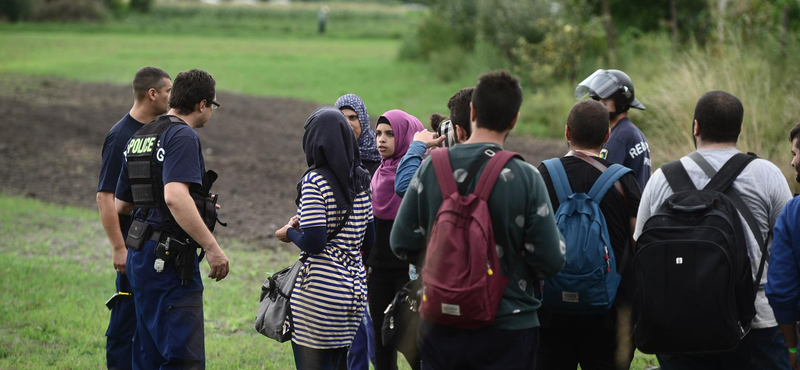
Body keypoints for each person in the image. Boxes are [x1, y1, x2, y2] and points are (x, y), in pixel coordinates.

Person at [390, 71, 566, 370]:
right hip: (510, 323)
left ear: (472, 112)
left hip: (440, 318)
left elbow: (401, 242)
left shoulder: (432, 167)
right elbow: (550, 260)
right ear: (514, 119)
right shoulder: (527, 177)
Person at [635, 90, 793, 369]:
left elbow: (640, 247)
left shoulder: (661, 179)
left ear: (696, 126)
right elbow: (792, 248)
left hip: (678, 323)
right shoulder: (768, 175)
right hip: (757, 325)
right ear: (740, 129)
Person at [115, 69, 230, 370]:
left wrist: (189, 206)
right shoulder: (182, 135)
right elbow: (174, 197)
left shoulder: (141, 135)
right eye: (213, 106)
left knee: (148, 356)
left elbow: (123, 203)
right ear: (202, 104)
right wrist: (212, 247)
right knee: (183, 360)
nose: (211, 112)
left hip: (140, 257)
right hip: (169, 262)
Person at [536, 100, 641, 370]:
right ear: (607, 136)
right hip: (612, 315)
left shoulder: (542, 175)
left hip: (551, 313)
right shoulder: (624, 181)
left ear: (567, 133)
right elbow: (637, 242)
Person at [274, 107, 374, 370]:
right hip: (352, 294)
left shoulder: (315, 182)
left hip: (319, 296)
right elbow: (369, 241)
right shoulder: (362, 180)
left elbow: (315, 243)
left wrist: (290, 232)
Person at [97, 66, 171, 370]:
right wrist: (118, 247)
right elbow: (105, 197)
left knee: (147, 325)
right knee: (124, 326)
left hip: (149, 249)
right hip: (130, 248)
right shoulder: (120, 136)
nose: (171, 96)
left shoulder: (160, 130)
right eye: (168, 91)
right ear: (152, 93)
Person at [368, 109, 425, 370]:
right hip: (378, 271)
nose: (381, 139)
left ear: (406, 137)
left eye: (390, 134)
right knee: (383, 342)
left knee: (414, 344)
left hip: (408, 272)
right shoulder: (376, 175)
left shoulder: (418, 176)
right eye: (379, 133)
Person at [334, 94, 378, 370]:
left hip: (370, 257)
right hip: (340, 259)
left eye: (353, 117)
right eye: (342, 117)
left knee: (372, 335)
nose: (349, 123)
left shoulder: (377, 159)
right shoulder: (331, 158)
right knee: (350, 343)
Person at [394, 87, 475, 199]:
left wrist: (417, 146)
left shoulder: (449, 174)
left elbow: (403, 186)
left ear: (460, 132)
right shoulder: (502, 166)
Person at [575, 69, 651, 188]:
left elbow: (603, 180)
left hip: (626, 206)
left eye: (607, 98)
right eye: (599, 98)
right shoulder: (633, 132)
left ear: (622, 102)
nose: (601, 103)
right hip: (638, 204)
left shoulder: (619, 136)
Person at [765, 123, 800, 369]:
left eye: (796, 152)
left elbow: (781, 292)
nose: (793, 162)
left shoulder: (794, 213)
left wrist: (792, 347)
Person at [335, 94, 381, 176]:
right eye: (342, 118)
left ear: (363, 121)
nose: (347, 124)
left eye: (352, 117)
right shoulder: (331, 155)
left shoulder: (381, 154)